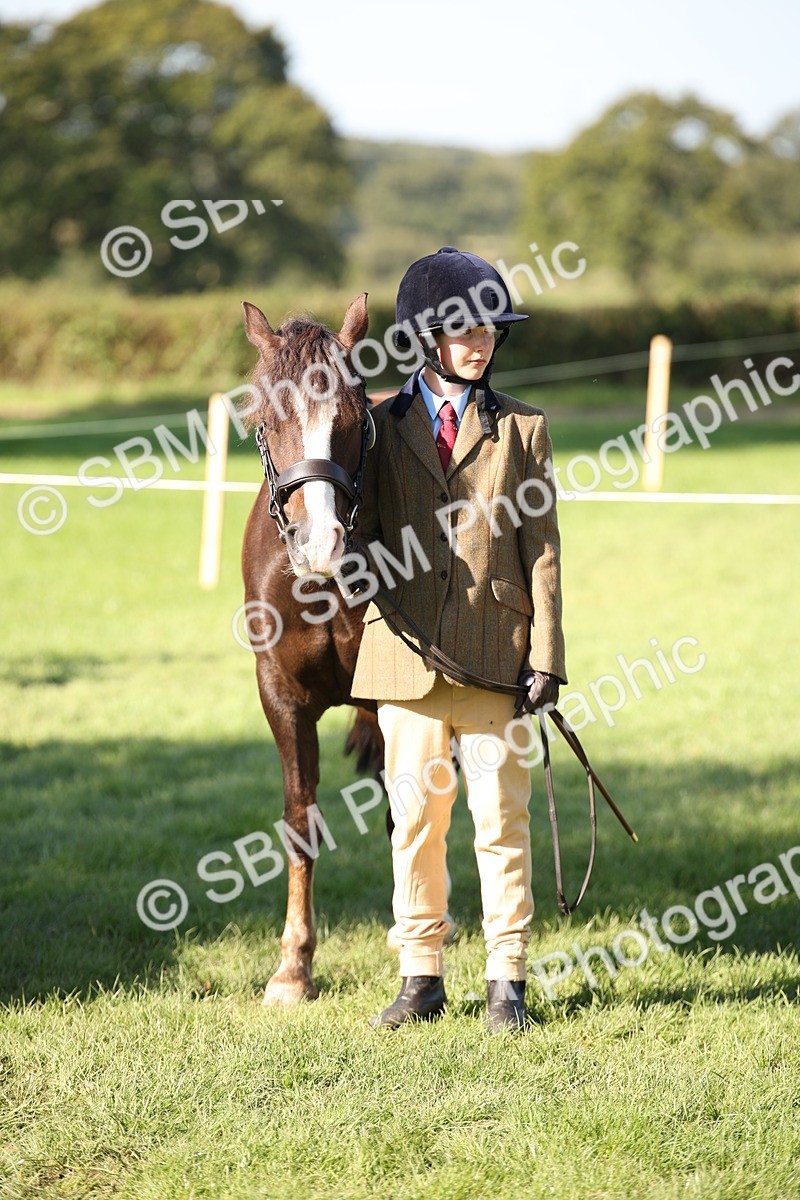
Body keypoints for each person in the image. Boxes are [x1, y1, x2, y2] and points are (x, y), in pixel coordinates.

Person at [351, 246, 567, 1032]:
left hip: (495, 652)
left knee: (500, 822)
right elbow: (364, 532)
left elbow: (541, 548)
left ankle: (506, 978)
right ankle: (421, 974)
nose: (481, 343)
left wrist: (547, 656)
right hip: (406, 655)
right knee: (415, 822)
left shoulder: (525, 428)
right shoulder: (379, 428)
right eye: (464, 330)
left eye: (490, 331)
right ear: (427, 338)